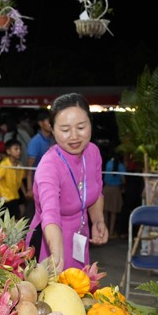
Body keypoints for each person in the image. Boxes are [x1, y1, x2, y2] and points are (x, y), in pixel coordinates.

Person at [27, 93, 108, 272]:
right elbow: (50, 215)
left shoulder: (92, 152)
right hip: (50, 241)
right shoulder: (49, 166)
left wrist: (98, 221)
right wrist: (56, 255)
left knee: (80, 292)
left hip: (80, 236)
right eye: (65, 130)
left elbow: (96, 192)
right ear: (52, 129)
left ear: (90, 124)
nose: (74, 136)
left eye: (81, 127)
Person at [0, 139, 26, 218]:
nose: (19, 151)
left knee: (15, 220)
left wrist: (25, 194)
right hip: (4, 199)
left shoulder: (20, 165)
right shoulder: (4, 164)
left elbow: (20, 181)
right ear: (8, 151)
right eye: (16, 149)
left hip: (14, 197)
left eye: (20, 149)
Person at [25, 109, 54, 199]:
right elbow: (29, 168)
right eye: (49, 122)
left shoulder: (54, 138)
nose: (51, 124)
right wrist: (30, 189)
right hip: (38, 185)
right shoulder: (35, 142)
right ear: (41, 123)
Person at [103, 151, 126, 239]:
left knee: (105, 211)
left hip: (106, 188)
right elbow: (123, 179)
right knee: (113, 212)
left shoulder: (108, 163)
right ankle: (111, 232)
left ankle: (104, 231)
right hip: (115, 190)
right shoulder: (121, 166)